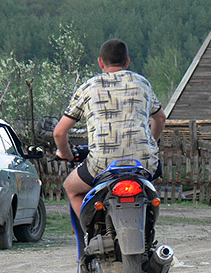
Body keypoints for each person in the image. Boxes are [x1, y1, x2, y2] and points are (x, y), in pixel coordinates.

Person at [54, 39, 166, 217]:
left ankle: (89, 237)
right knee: (148, 193)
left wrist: (66, 154)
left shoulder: (89, 87)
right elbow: (160, 118)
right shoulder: (142, 83)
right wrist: (151, 143)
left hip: (102, 164)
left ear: (101, 62)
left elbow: (59, 133)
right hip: (143, 163)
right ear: (127, 62)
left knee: (71, 188)